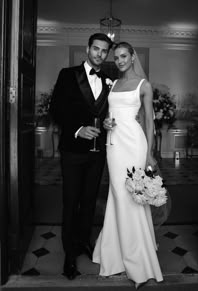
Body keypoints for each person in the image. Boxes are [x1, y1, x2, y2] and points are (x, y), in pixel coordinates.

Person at [92, 42, 163, 288]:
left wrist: (150, 154)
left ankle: (136, 257)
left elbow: (149, 122)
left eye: (124, 56)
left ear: (133, 57)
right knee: (117, 194)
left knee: (133, 197)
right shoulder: (113, 85)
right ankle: (114, 249)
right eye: (117, 57)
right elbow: (107, 115)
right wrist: (106, 123)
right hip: (114, 145)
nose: (120, 60)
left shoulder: (144, 86)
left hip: (134, 145)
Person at [49, 33, 113, 280]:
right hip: (73, 151)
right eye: (96, 49)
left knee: (89, 202)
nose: (99, 54)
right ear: (88, 49)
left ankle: (84, 241)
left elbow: (107, 112)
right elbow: (56, 109)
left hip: (98, 153)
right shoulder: (68, 74)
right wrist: (78, 129)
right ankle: (69, 255)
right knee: (71, 202)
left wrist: (108, 122)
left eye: (104, 51)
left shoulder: (109, 80)